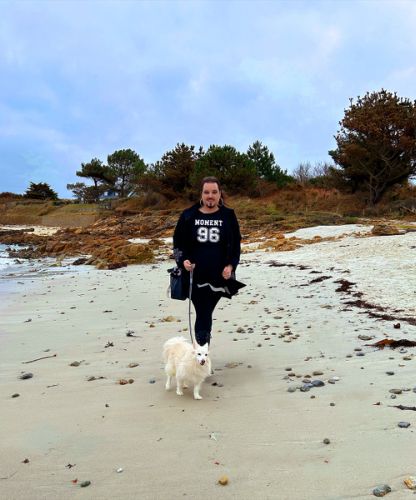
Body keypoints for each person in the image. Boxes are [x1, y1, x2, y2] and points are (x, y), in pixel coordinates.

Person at [173, 176, 243, 347]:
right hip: (194, 276)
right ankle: (202, 352)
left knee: (206, 311)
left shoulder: (228, 216)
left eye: (214, 192)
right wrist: (183, 261)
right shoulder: (188, 215)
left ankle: (201, 352)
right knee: (203, 310)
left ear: (220, 194)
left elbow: (236, 245)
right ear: (201, 194)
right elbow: (177, 244)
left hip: (219, 277)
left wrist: (231, 265)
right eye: (206, 192)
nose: (210, 196)